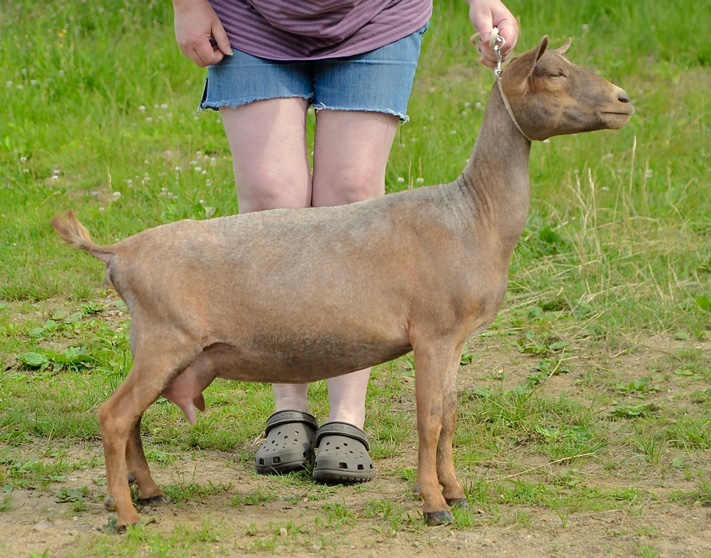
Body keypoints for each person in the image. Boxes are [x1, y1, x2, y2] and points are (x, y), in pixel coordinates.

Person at [171, 0, 518, 483]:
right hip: (249, 16)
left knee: (354, 197)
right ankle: (288, 405)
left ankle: (347, 417)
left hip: (377, 16)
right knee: (274, 197)